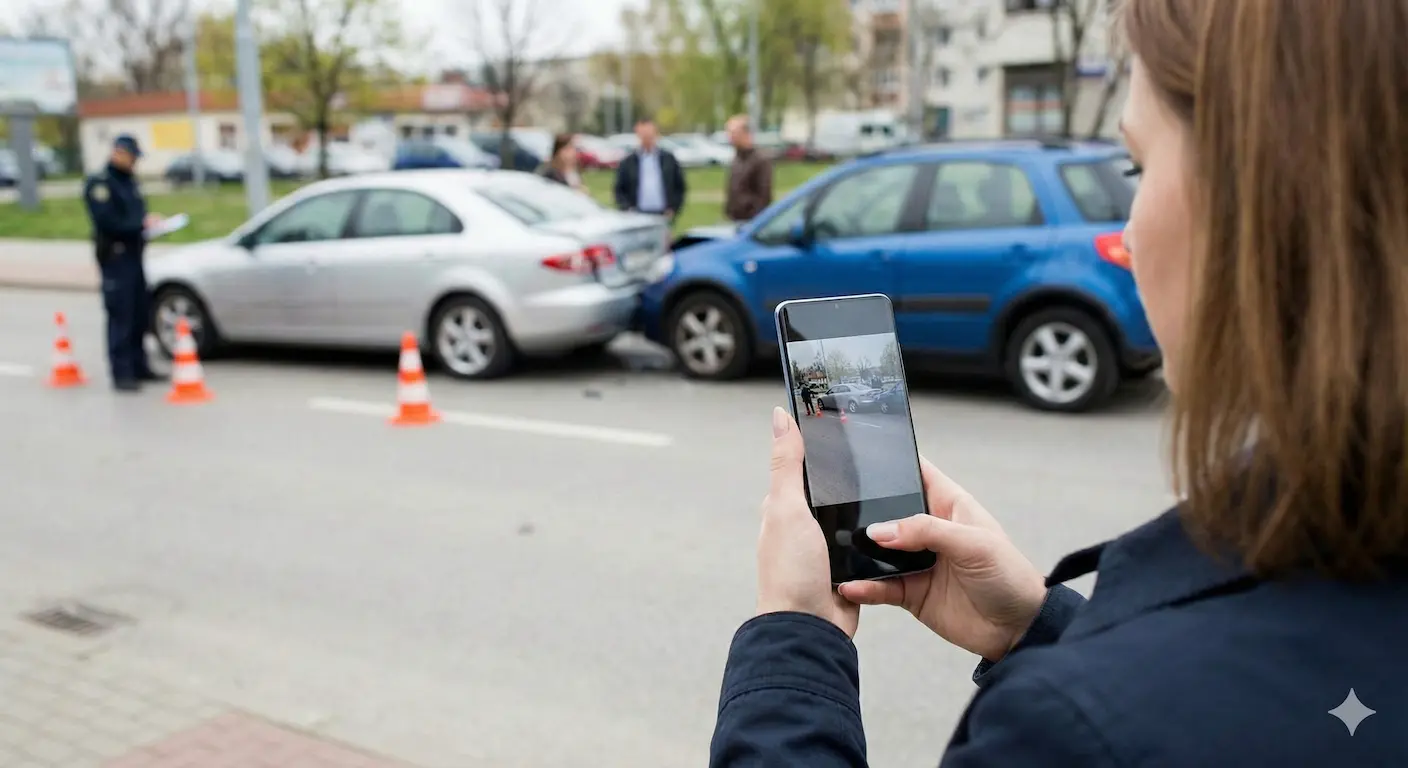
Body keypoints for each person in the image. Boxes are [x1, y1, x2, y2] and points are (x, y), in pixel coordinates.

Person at [710, 1, 1408, 765]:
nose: (1128, 232)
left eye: (1138, 167)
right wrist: (1038, 628)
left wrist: (791, 639)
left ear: (1266, 198)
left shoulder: (1072, 731)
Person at [83, 135, 164, 392]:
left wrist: (149, 222)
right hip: (116, 258)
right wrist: (139, 225)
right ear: (118, 153)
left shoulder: (128, 181)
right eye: (132, 157)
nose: (135, 163)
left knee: (140, 312)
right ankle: (122, 372)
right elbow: (108, 222)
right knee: (121, 315)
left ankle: (140, 365)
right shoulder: (100, 184)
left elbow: (135, 213)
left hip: (135, 255)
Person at [612, 117, 686, 222]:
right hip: (637, 215)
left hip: (663, 214)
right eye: (644, 136)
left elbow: (679, 186)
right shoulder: (628, 162)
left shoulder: (669, 159)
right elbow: (619, 190)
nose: (647, 140)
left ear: (656, 135)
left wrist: (674, 208)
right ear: (638, 136)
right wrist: (627, 209)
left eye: (650, 136)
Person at [722, 114, 772, 223]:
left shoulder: (760, 160)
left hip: (751, 222)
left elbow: (764, 196)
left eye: (733, 133)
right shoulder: (737, 158)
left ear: (745, 134)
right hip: (734, 219)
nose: (730, 137)